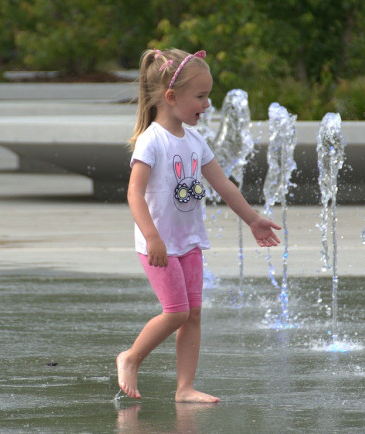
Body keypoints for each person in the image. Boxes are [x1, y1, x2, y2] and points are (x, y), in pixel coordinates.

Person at [117, 48, 282, 403]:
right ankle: (131, 357)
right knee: (175, 312)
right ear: (171, 97)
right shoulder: (152, 140)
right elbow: (134, 194)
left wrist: (253, 220)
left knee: (192, 315)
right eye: (201, 96)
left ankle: (185, 388)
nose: (207, 105)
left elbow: (224, 185)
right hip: (158, 246)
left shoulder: (194, 140)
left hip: (189, 242)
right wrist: (151, 237)